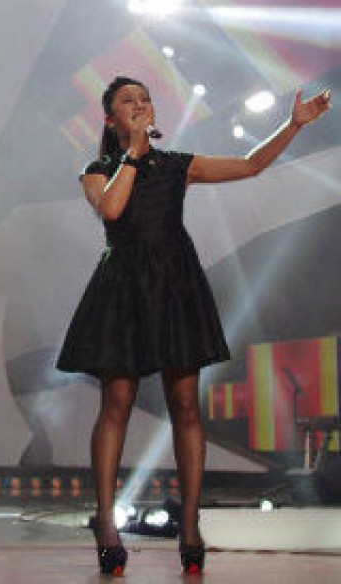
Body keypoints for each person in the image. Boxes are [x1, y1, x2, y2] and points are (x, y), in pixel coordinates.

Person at [57, 76, 330, 575]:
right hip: (123, 288)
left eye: (145, 99)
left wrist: (293, 125)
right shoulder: (96, 172)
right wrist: (133, 152)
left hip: (174, 284)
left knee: (185, 404)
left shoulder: (177, 166)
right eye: (128, 102)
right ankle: (107, 523)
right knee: (116, 403)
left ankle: (189, 522)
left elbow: (250, 165)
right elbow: (113, 208)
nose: (140, 106)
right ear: (110, 119)